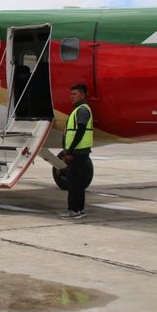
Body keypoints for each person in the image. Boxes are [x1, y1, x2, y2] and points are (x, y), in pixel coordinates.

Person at [59, 83, 93, 220]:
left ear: (82, 95)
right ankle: (80, 210)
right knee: (78, 183)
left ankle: (73, 210)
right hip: (80, 152)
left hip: (77, 153)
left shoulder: (82, 110)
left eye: (75, 94)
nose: (72, 97)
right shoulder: (79, 109)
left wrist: (70, 151)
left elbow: (80, 131)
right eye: (71, 94)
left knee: (73, 183)